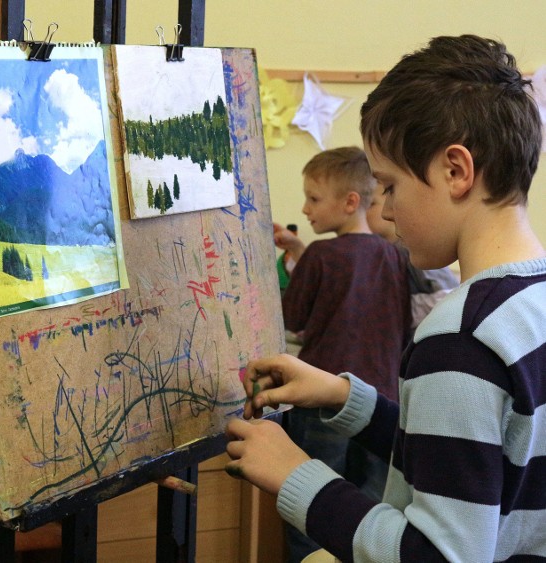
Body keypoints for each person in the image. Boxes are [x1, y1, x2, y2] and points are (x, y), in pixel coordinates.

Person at [226, 35, 546, 562]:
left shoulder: (463, 338)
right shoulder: (527, 305)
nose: (388, 213)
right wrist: (347, 400)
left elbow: (435, 556)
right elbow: (476, 464)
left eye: (390, 186)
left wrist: (296, 475)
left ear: (456, 171)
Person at [273, 146, 411, 561]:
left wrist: (296, 259)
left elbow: (292, 317)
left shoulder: (321, 255)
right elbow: (401, 326)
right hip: (382, 402)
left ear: (350, 202)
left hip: (322, 398)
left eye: (314, 198)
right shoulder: (395, 256)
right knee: (367, 514)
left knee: (309, 506)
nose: (305, 207)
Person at [366, 183, 459, 330]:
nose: (364, 212)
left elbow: (447, 296)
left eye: (371, 204)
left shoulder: (413, 249)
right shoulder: (378, 252)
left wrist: (396, 310)